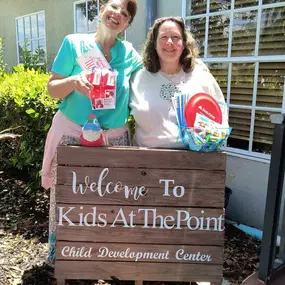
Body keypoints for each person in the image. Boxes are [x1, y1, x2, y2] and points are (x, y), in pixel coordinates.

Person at [42, 0, 142, 265]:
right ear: (101, 10)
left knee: (109, 200)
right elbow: (52, 89)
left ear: (127, 24)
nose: (118, 14)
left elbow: (152, 80)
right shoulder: (74, 43)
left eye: (125, 13)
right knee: (67, 198)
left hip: (114, 140)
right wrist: (73, 82)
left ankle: (100, 256)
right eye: (114, 6)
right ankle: (63, 258)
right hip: (71, 136)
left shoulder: (130, 54)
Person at [130, 17, 228, 149]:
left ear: (184, 43)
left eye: (176, 37)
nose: (170, 42)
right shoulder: (138, 78)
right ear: (154, 43)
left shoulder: (201, 76)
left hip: (191, 162)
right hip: (146, 163)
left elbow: (220, 115)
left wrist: (212, 137)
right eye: (163, 37)